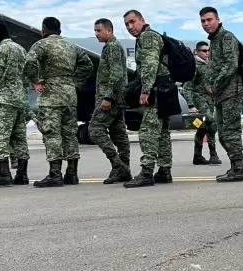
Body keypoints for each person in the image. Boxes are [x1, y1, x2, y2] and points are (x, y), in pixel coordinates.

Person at [24, 16, 93, 187]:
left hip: (51, 96)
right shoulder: (72, 46)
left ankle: (55, 174)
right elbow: (88, 65)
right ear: (60, 31)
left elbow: (29, 62)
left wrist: (35, 80)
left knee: (52, 134)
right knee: (70, 134)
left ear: (43, 30)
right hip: (69, 96)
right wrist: (74, 83)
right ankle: (72, 174)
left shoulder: (42, 44)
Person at [123, 10, 172, 188]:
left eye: (133, 22)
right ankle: (164, 171)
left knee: (148, 132)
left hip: (155, 91)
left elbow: (150, 65)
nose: (130, 27)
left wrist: (145, 90)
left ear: (142, 20)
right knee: (163, 133)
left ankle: (146, 173)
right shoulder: (151, 36)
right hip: (163, 90)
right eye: (127, 24)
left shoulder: (148, 37)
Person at [200, 6, 243, 182]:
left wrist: (215, 84)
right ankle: (234, 167)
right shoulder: (214, 40)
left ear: (218, 20)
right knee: (223, 133)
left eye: (209, 19)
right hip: (220, 94)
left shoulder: (226, 37)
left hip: (231, 93)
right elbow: (213, 67)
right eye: (203, 21)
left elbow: (230, 65)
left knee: (231, 131)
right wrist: (207, 83)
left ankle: (238, 169)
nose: (206, 24)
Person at [0, 19, 30, 187]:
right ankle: (22, 174)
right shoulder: (20, 49)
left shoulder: (1, 50)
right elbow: (26, 76)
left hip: (3, 100)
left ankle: (4, 174)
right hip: (20, 100)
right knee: (19, 139)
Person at [89, 18, 133, 184]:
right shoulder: (111, 46)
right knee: (118, 133)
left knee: (95, 128)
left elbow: (116, 74)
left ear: (109, 30)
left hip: (111, 97)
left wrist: (107, 97)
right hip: (117, 97)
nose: (96, 34)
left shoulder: (113, 47)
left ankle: (118, 165)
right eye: (95, 31)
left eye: (99, 31)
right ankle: (124, 170)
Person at [181, 40, 221, 165]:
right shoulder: (195, 66)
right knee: (212, 123)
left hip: (209, 100)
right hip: (199, 99)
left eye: (208, 50)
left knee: (202, 128)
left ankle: (197, 156)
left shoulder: (210, 65)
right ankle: (213, 155)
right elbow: (186, 87)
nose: (207, 53)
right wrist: (191, 105)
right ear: (198, 52)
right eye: (204, 51)